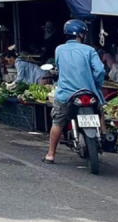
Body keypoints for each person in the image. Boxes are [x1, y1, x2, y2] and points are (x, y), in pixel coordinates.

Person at [43, 20, 107, 164]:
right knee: (99, 109)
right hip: (88, 92)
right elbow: (100, 70)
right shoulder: (89, 50)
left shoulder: (59, 49)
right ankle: (103, 135)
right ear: (80, 34)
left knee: (58, 122)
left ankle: (51, 154)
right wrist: (96, 84)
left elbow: (58, 68)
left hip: (66, 94)